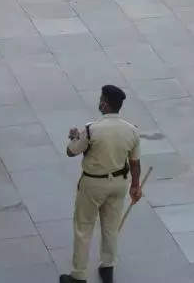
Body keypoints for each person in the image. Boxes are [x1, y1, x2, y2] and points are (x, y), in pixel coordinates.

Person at [61, 85, 143, 283]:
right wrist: (135, 186)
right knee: (111, 227)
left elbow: (71, 151)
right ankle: (108, 268)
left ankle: (79, 275)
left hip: (93, 184)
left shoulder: (92, 129)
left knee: (84, 227)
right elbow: (135, 163)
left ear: (105, 103)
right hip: (119, 184)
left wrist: (74, 137)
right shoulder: (131, 130)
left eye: (101, 99)